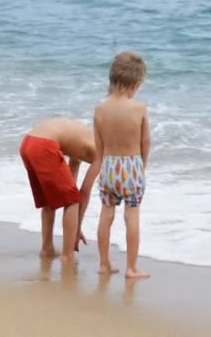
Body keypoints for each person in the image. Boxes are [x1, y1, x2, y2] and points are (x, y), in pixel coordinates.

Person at [80, 51, 151, 278]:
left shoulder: (99, 109)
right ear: (136, 84)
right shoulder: (139, 108)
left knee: (106, 214)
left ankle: (104, 264)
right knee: (131, 216)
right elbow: (145, 142)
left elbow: (99, 148)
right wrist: (142, 166)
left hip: (109, 167)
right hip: (131, 167)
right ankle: (131, 268)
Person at [19, 117, 97, 262]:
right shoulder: (104, 155)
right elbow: (83, 192)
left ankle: (47, 249)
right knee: (73, 201)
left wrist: (75, 226)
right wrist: (76, 227)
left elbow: (71, 178)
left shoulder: (89, 140)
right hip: (44, 145)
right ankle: (68, 256)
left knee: (51, 200)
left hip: (29, 142)